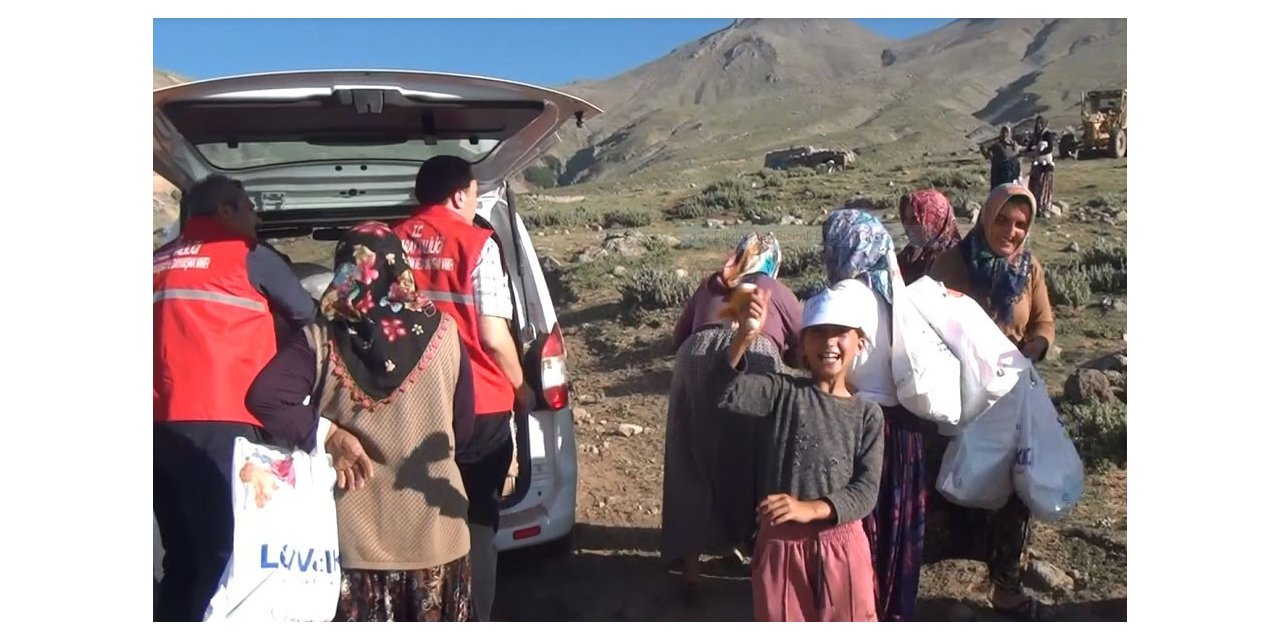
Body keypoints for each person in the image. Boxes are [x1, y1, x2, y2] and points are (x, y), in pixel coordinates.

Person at [247, 222, 476, 622]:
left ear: (345, 270)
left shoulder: (319, 338)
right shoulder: (446, 333)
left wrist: (328, 434)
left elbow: (265, 398)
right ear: (399, 266)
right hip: (438, 538)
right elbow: (464, 429)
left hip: (355, 543)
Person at [153, 174, 316, 621]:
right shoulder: (247, 258)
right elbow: (307, 313)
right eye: (248, 208)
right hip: (223, 423)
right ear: (225, 212)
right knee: (225, 554)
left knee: (180, 557)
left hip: (157, 428)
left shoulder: (155, 261)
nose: (256, 217)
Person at [394, 155, 533, 622]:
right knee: (476, 524)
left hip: (408, 406)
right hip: (480, 407)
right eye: (474, 194)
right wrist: (522, 387)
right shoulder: (478, 243)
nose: (475, 202)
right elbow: (493, 336)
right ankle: (474, 617)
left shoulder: (389, 245)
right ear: (459, 194)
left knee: (417, 519)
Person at [712, 285, 884, 622]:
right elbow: (723, 391)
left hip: (843, 545)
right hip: (782, 545)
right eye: (818, 333)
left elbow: (866, 490)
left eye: (841, 333)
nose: (830, 343)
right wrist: (744, 338)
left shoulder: (868, 414)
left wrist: (810, 509)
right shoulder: (782, 392)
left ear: (860, 342)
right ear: (803, 344)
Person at [924, 183, 1056, 620]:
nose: (1011, 230)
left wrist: (1031, 349)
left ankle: (1005, 586)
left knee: (1013, 487)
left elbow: (1043, 323)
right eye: (1003, 219)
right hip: (960, 399)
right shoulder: (953, 263)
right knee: (949, 479)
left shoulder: (1029, 269)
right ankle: (919, 576)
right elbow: (925, 324)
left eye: (1020, 224)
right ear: (985, 216)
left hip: (1012, 400)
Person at [663, 232, 803, 603]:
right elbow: (804, 345)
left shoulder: (712, 284)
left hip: (694, 356)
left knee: (689, 460)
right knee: (754, 460)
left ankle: (691, 574)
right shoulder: (771, 286)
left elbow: (679, 337)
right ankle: (758, 564)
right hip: (755, 352)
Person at [821, 209, 928, 621]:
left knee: (861, 530)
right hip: (907, 430)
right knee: (895, 537)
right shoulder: (896, 289)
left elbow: (830, 367)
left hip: (863, 427)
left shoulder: (848, 295)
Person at [897, 189, 962, 286]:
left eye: (915, 220)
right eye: (906, 219)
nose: (908, 226)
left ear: (935, 219)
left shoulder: (954, 258)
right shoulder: (912, 252)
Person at [1026, 127, 1057, 217]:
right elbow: (1028, 148)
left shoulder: (1048, 135)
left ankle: (1044, 207)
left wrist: (1038, 153)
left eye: (1041, 123)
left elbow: (1050, 148)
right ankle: (1034, 206)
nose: (1039, 126)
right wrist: (1031, 153)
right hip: (1036, 166)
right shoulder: (1035, 136)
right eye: (1038, 123)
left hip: (1046, 165)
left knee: (1045, 186)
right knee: (1035, 186)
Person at [983, 125, 1022, 189]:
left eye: (1006, 132)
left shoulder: (1014, 145)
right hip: (999, 172)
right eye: (1003, 132)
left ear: (1009, 134)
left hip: (1012, 172)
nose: (1005, 134)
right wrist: (988, 156)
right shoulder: (997, 145)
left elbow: (1019, 155)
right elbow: (983, 146)